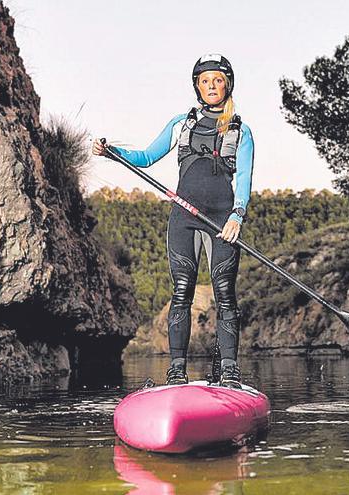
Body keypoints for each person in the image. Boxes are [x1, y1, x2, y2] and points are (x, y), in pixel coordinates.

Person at [92, 54, 255, 388]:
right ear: (197, 86)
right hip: (184, 217)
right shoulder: (182, 124)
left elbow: (244, 180)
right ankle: (176, 372)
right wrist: (113, 151)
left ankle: (229, 373)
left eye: (218, 80)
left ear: (227, 84)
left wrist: (238, 216)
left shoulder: (241, 130)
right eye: (205, 81)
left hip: (222, 220)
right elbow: (146, 157)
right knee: (182, 292)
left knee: (225, 292)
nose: (212, 86)